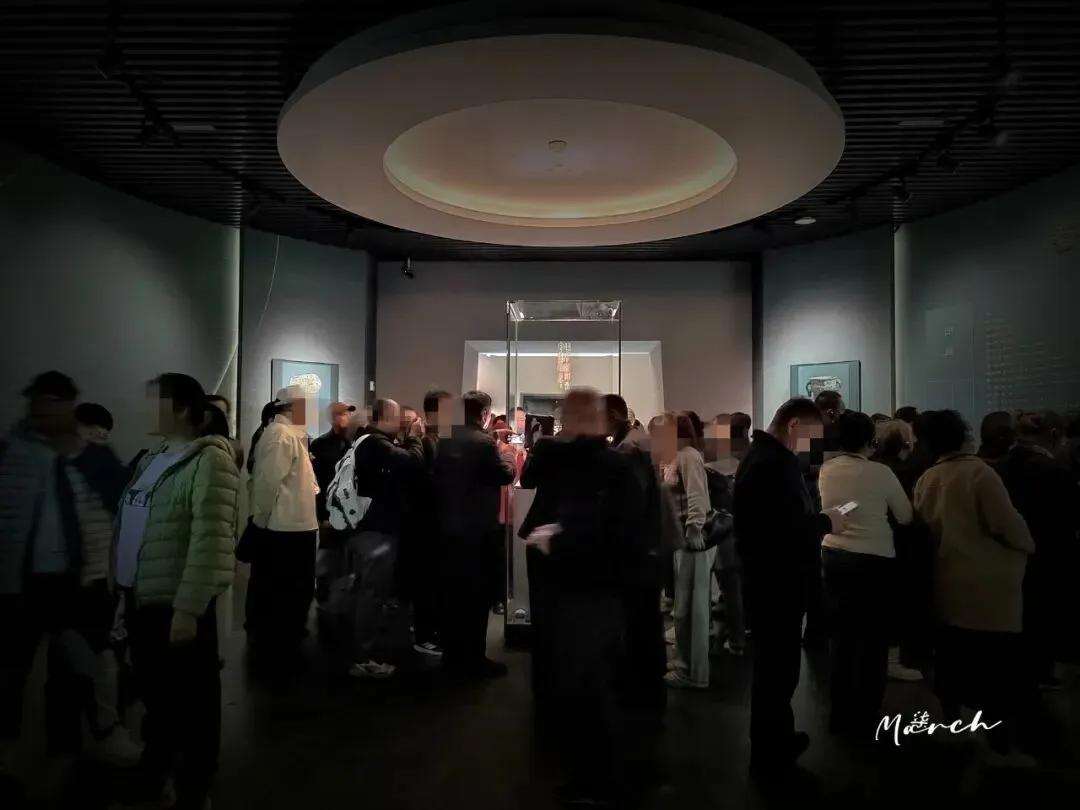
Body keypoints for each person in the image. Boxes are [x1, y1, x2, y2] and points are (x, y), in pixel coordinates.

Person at [116, 373, 240, 809]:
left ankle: (193, 789)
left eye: (156, 402)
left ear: (183, 410)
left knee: (193, 704)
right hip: (142, 597)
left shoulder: (210, 460)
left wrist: (189, 607)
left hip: (176, 602)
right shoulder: (152, 458)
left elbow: (212, 540)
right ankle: (156, 780)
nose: (145, 410)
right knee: (158, 701)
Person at [523, 388, 643, 807]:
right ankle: (594, 775)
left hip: (588, 590)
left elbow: (609, 532)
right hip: (592, 590)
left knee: (589, 687)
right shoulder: (600, 462)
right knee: (589, 684)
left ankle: (597, 780)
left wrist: (558, 539)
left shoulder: (602, 465)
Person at [733, 397, 848, 774]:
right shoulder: (772, 465)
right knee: (777, 673)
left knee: (776, 672)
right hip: (777, 585)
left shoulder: (763, 459)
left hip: (770, 582)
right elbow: (782, 531)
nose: (813, 445)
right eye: (812, 435)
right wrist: (826, 523)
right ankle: (772, 752)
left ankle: (775, 741)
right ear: (794, 426)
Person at [913, 410, 1035, 765]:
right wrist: (1028, 545)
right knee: (997, 670)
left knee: (952, 664)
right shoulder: (980, 473)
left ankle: (954, 728)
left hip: (947, 582)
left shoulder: (927, 478)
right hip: (989, 587)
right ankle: (999, 747)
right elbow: (1006, 524)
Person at [0, 372, 86, 791]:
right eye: (40, 404)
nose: (44, 412)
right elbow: (7, 521)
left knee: (67, 668)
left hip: (69, 578)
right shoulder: (15, 451)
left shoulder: (81, 451)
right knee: (12, 669)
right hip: (26, 579)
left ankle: (64, 747)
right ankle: (7, 748)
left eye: (53, 404)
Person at [818, 411, 913, 737]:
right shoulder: (881, 472)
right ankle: (868, 712)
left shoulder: (827, 469)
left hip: (833, 553)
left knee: (842, 637)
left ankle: (840, 712)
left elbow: (840, 509)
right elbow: (905, 515)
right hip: (875, 559)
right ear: (871, 439)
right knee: (874, 639)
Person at [604, 394, 678, 725]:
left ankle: (643, 694)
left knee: (639, 622)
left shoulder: (629, 449)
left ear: (615, 416)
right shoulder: (634, 443)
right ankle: (647, 690)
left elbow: (631, 506)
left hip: (639, 550)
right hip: (647, 547)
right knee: (644, 620)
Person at [433, 391, 516, 678]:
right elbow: (504, 475)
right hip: (478, 529)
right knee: (476, 597)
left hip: (448, 526)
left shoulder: (445, 438)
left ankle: (452, 656)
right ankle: (473, 659)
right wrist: (510, 457)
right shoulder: (484, 443)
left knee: (454, 595)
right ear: (484, 414)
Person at [994, 411, 1079, 692]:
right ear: (1053, 434)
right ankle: (1039, 671)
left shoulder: (1000, 466)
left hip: (1007, 552)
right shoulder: (1055, 470)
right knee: (1044, 613)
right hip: (1050, 553)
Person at [344, 398, 425, 678]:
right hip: (376, 530)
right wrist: (414, 438)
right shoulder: (375, 443)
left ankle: (359, 652)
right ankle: (362, 658)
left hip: (367, 528)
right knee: (372, 594)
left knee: (366, 592)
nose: (402, 421)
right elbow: (412, 462)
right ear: (386, 416)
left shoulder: (368, 441)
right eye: (398, 415)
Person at [246, 385, 319, 659]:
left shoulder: (290, 435)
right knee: (287, 588)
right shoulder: (281, 435)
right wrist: (262, 519)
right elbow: (267, 483)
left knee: (294, 588)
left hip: (295, 525)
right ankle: (280, 641)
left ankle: (285, 636)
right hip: (285, 527)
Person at [652, 412, 712, 690]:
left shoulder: (688, 456)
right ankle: (685, 663)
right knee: (683, 609)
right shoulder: (676, 457)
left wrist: (694, 529)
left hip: (691, 542)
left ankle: (694, 671)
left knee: (692, 609)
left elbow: (697, 496)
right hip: (681, 541)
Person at [870, 419, 930, 680]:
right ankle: (893, 660)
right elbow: (906, 515)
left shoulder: (872, 467)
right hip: (901, 545)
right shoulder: (906, 472)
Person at [707, 412, 750, 654]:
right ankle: (737, 637)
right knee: (734, 588)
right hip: (741, 531)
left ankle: (732, 637)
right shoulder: (750, 460)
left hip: (724, 532)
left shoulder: (713, 467)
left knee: (729, 587)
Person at [309, 402, 357, 606]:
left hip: (351, 512)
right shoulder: (320, 445)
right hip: (329, 512)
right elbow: (316, 484)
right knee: (328, 558)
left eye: (347, 413)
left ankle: (342, 603)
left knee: (347, 560)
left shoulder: (355, 443)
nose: (346, 417)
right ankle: (325, 600)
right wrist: (320, 515)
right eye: (341, 413)